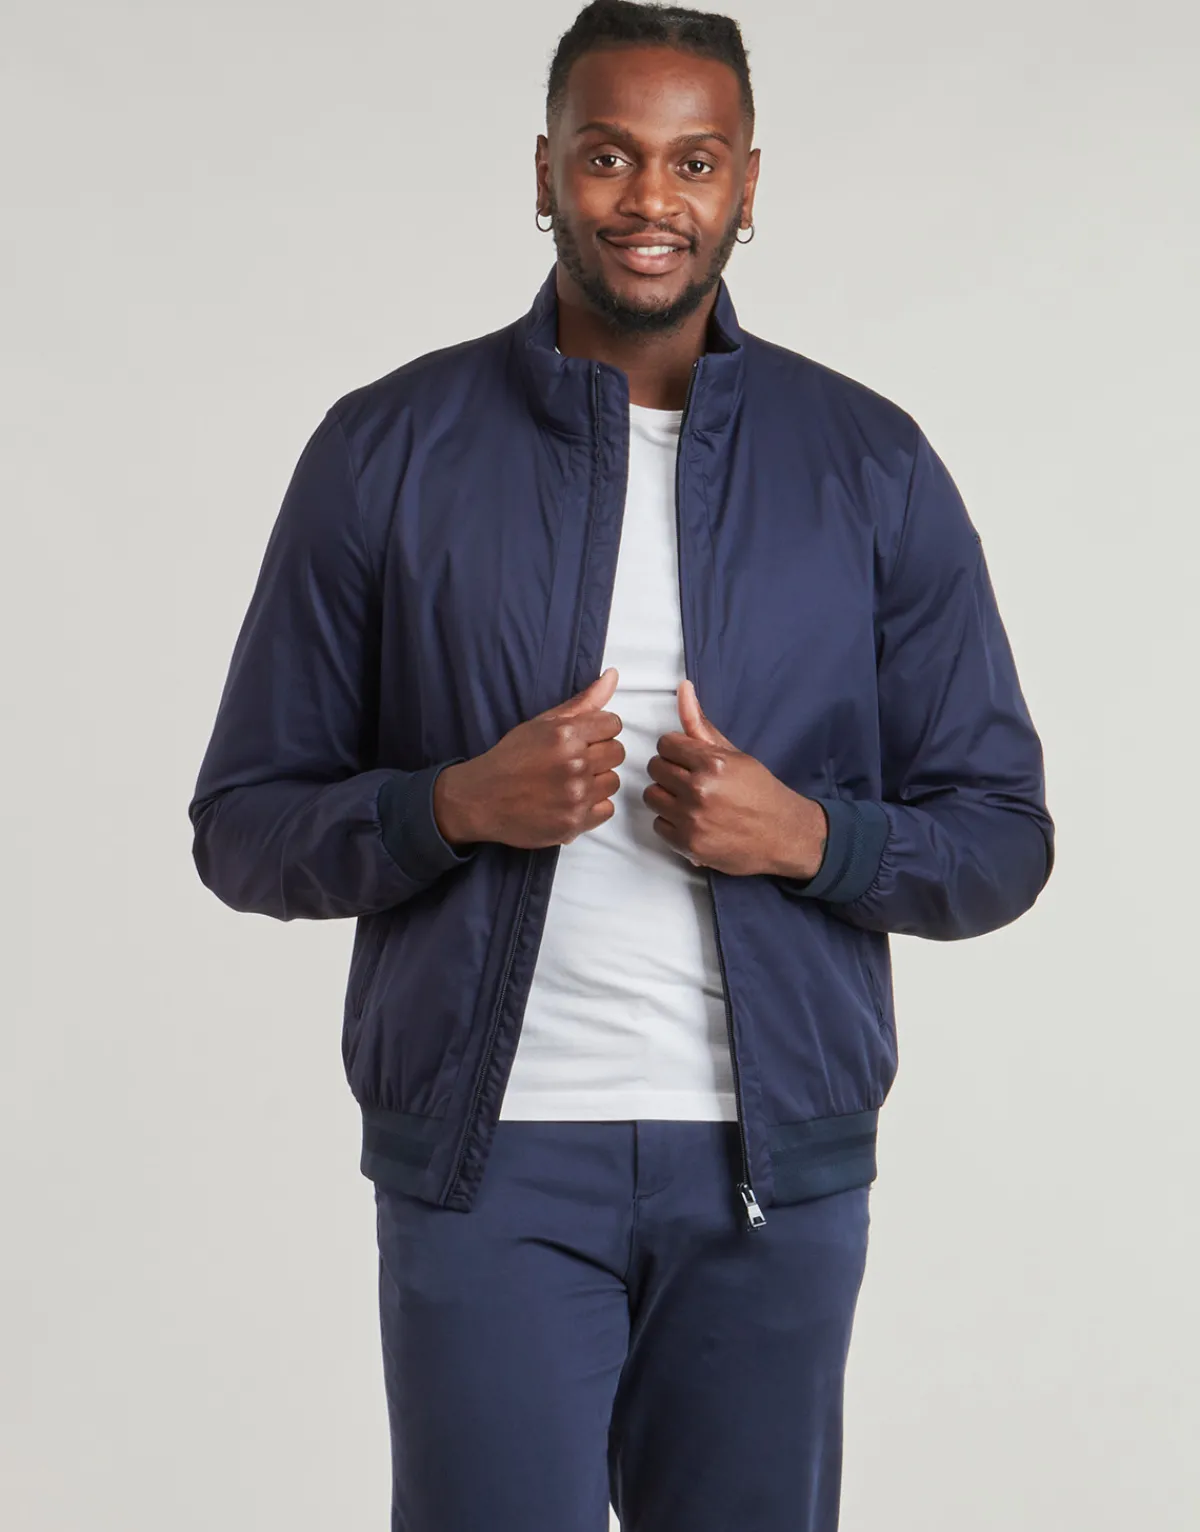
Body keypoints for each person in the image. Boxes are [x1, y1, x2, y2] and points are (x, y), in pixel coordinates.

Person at [187, 2, 1054, 1527]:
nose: (652, 197)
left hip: (772, 1171)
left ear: (747, 185)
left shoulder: (868, 463)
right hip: (488, 1163)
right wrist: (453, 806)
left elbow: (1000, 838)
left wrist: (810, 838)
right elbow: (244, 825)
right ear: (545, 173)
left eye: (694, 160)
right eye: (609, 155)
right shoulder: (387, 448)